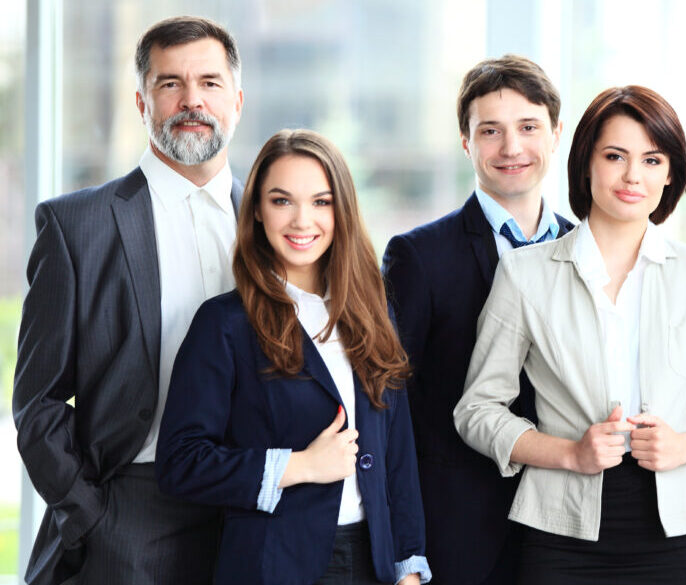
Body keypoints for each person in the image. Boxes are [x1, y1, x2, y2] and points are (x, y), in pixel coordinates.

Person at [454, 85, 686, 585]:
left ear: (671, 173)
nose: (634, 176)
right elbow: (477, 410)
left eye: (652, 160)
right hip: (560, 531)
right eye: (615, 156)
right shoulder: (526, 274)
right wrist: (570, 452)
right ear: (586, 162)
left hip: (675, 530)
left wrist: (683, 446)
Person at [13, 16, 244, 585]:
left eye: (210, 83)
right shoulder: (76, 226)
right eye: (171, 84)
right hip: (132, 511)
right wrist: (90, 515)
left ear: (236, 99)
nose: (193, 101)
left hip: (256, 505)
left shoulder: (278, 221)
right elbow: (36, 404)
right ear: (141, 101)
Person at [155, 129, 430, 585]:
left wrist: (408, 569)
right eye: (282, 201)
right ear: (258, 211)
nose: (303, 220)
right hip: (272, 567)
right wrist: (298, 466)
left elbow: (396, 453)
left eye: (321, 202)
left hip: (373, 565)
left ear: (341, 211)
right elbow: (180, 463)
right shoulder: (224, 324)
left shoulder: (371, 311)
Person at [381, 55, 574, 585]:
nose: (511, 148)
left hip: (567, 530)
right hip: (457, 535)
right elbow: (390, 410)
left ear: (556, 134)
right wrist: (405, 547)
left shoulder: (588, 250)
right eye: (490, 131)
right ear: (466, 142)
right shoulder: (418, 257)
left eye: (528, 128)